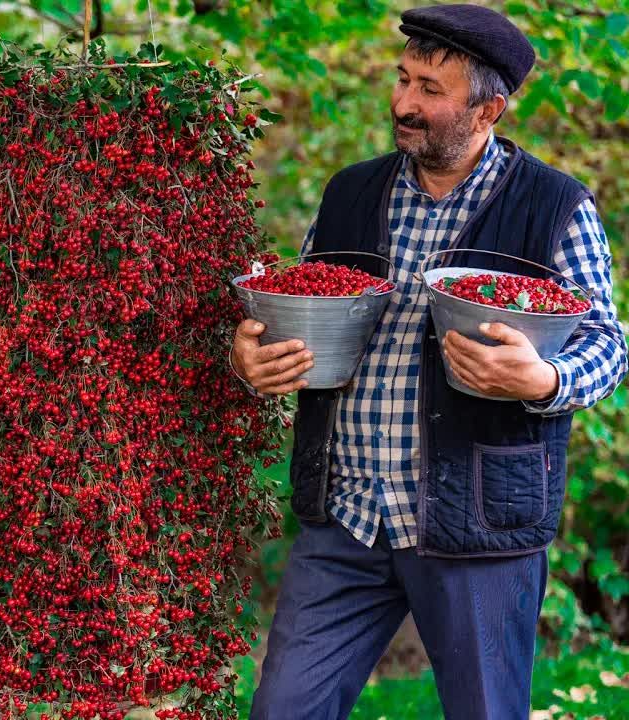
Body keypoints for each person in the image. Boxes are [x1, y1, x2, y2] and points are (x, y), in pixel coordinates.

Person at [230, 5, 627, 718]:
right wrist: (254, 356)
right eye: (403, 79)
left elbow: (607, 344)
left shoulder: (555, 206)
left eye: (431, 91)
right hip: (347, 516)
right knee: (282, 709)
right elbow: (300, 305)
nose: (404, 104)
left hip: (475, 524)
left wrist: (545, 380)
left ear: (489, 109)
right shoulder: (351, 192)